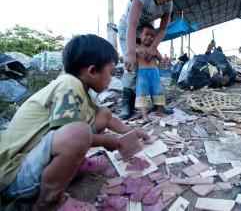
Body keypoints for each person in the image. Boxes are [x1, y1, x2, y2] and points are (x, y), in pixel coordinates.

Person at [0, 34, 149, 211]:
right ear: (92, 71)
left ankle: (73, 166)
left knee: (104, 112)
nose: (111, 80)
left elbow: (108, 119)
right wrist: (104, 140)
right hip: (15, 176)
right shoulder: (68, 85)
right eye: (110, 72)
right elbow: (69, 132)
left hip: (37, 159)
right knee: (78, 132)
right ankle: (50, 202)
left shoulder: (82, 92)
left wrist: (132, 132)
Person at [118, 0, 182, 119]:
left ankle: (157, 104)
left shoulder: (168, 5)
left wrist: (153, 48)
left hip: (146, 32)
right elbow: (132, 25)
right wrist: (131, 53)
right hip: (128, 30)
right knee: (132, 67)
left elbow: (163, 28)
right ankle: (128, 106)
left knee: (148, 62)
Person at [135, 23, 166, 123]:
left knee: (158, 92)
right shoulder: (137, 47)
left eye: (152, 36)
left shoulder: (154, 48)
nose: (149, 38)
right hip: (142, 74)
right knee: (142, 94)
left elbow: (161, 57)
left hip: (154, 73)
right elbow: (131, 57)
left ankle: (159, 111)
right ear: (140, 35)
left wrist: (155, 53)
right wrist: (136, 51)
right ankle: (145, 116)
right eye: (147, 34)